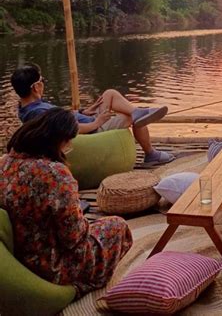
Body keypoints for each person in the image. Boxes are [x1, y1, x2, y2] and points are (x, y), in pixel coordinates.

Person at [0, 108, 133, 296]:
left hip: (21, 256)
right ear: (59, 141)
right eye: (68, 142)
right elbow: (74, 238)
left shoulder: (5, 164)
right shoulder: (54, 174)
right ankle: (84, 285)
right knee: (117, 226)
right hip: (52, 265)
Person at [10, 63, 173, 166]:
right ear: (36, 87)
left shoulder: (29, 107)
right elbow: (69, 129)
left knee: (109, 94)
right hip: (91, 130)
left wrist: (82, 112)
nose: (43, 85)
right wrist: (97, 122)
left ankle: (138, 112)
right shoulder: (38, 112)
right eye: (42, 81)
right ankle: (150, 153)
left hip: (88, 120)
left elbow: (62, 117)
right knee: (128, 117)